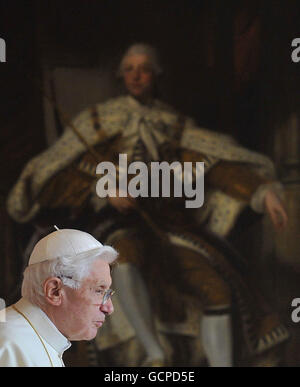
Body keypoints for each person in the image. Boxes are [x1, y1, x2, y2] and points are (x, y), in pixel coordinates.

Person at [6, 43, 289, 367]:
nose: (137, 76)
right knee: (124, 261)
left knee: (217, 288)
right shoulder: (99, 122)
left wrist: (259, 190)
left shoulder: (173, 125)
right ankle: (155, 353)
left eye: (144, 69)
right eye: (130, 69)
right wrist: (103, 190)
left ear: (155, 76)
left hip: (167, 228)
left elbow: (214, 165)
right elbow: (60, 176)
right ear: (122, 76)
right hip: (114, 226)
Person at [0, 228, 117, 367]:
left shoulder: (36, 339)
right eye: (99, 291)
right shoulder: (10, 345)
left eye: (107, 293)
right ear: (54, 291)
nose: (109, 308)